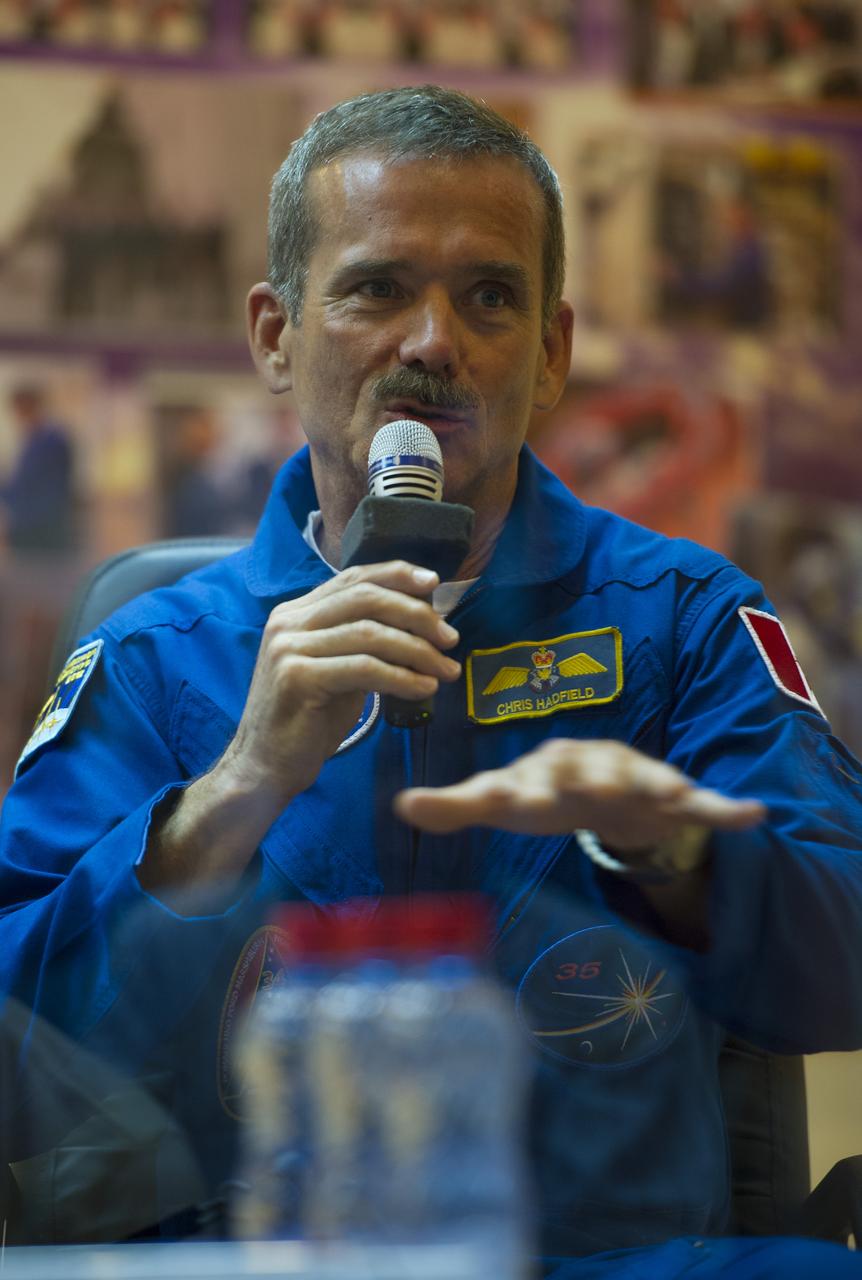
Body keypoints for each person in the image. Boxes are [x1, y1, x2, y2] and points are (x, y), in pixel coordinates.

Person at [0, 86, 860, 1277]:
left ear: (550, 354)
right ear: (274, 335)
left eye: (490, 296)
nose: (433, 343)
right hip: (248, 1262)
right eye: (376, 287)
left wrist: (691, 864)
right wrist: (229, 794)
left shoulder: (682, 620)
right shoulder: (155, 657)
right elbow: (15, 1039)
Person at [1, 383, 77, 553]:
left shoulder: (50, 439)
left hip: (41, 524)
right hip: (33, 520)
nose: (17, 416)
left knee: (39, 572)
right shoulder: (34, 438)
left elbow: (27, 484)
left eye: (19, 409)